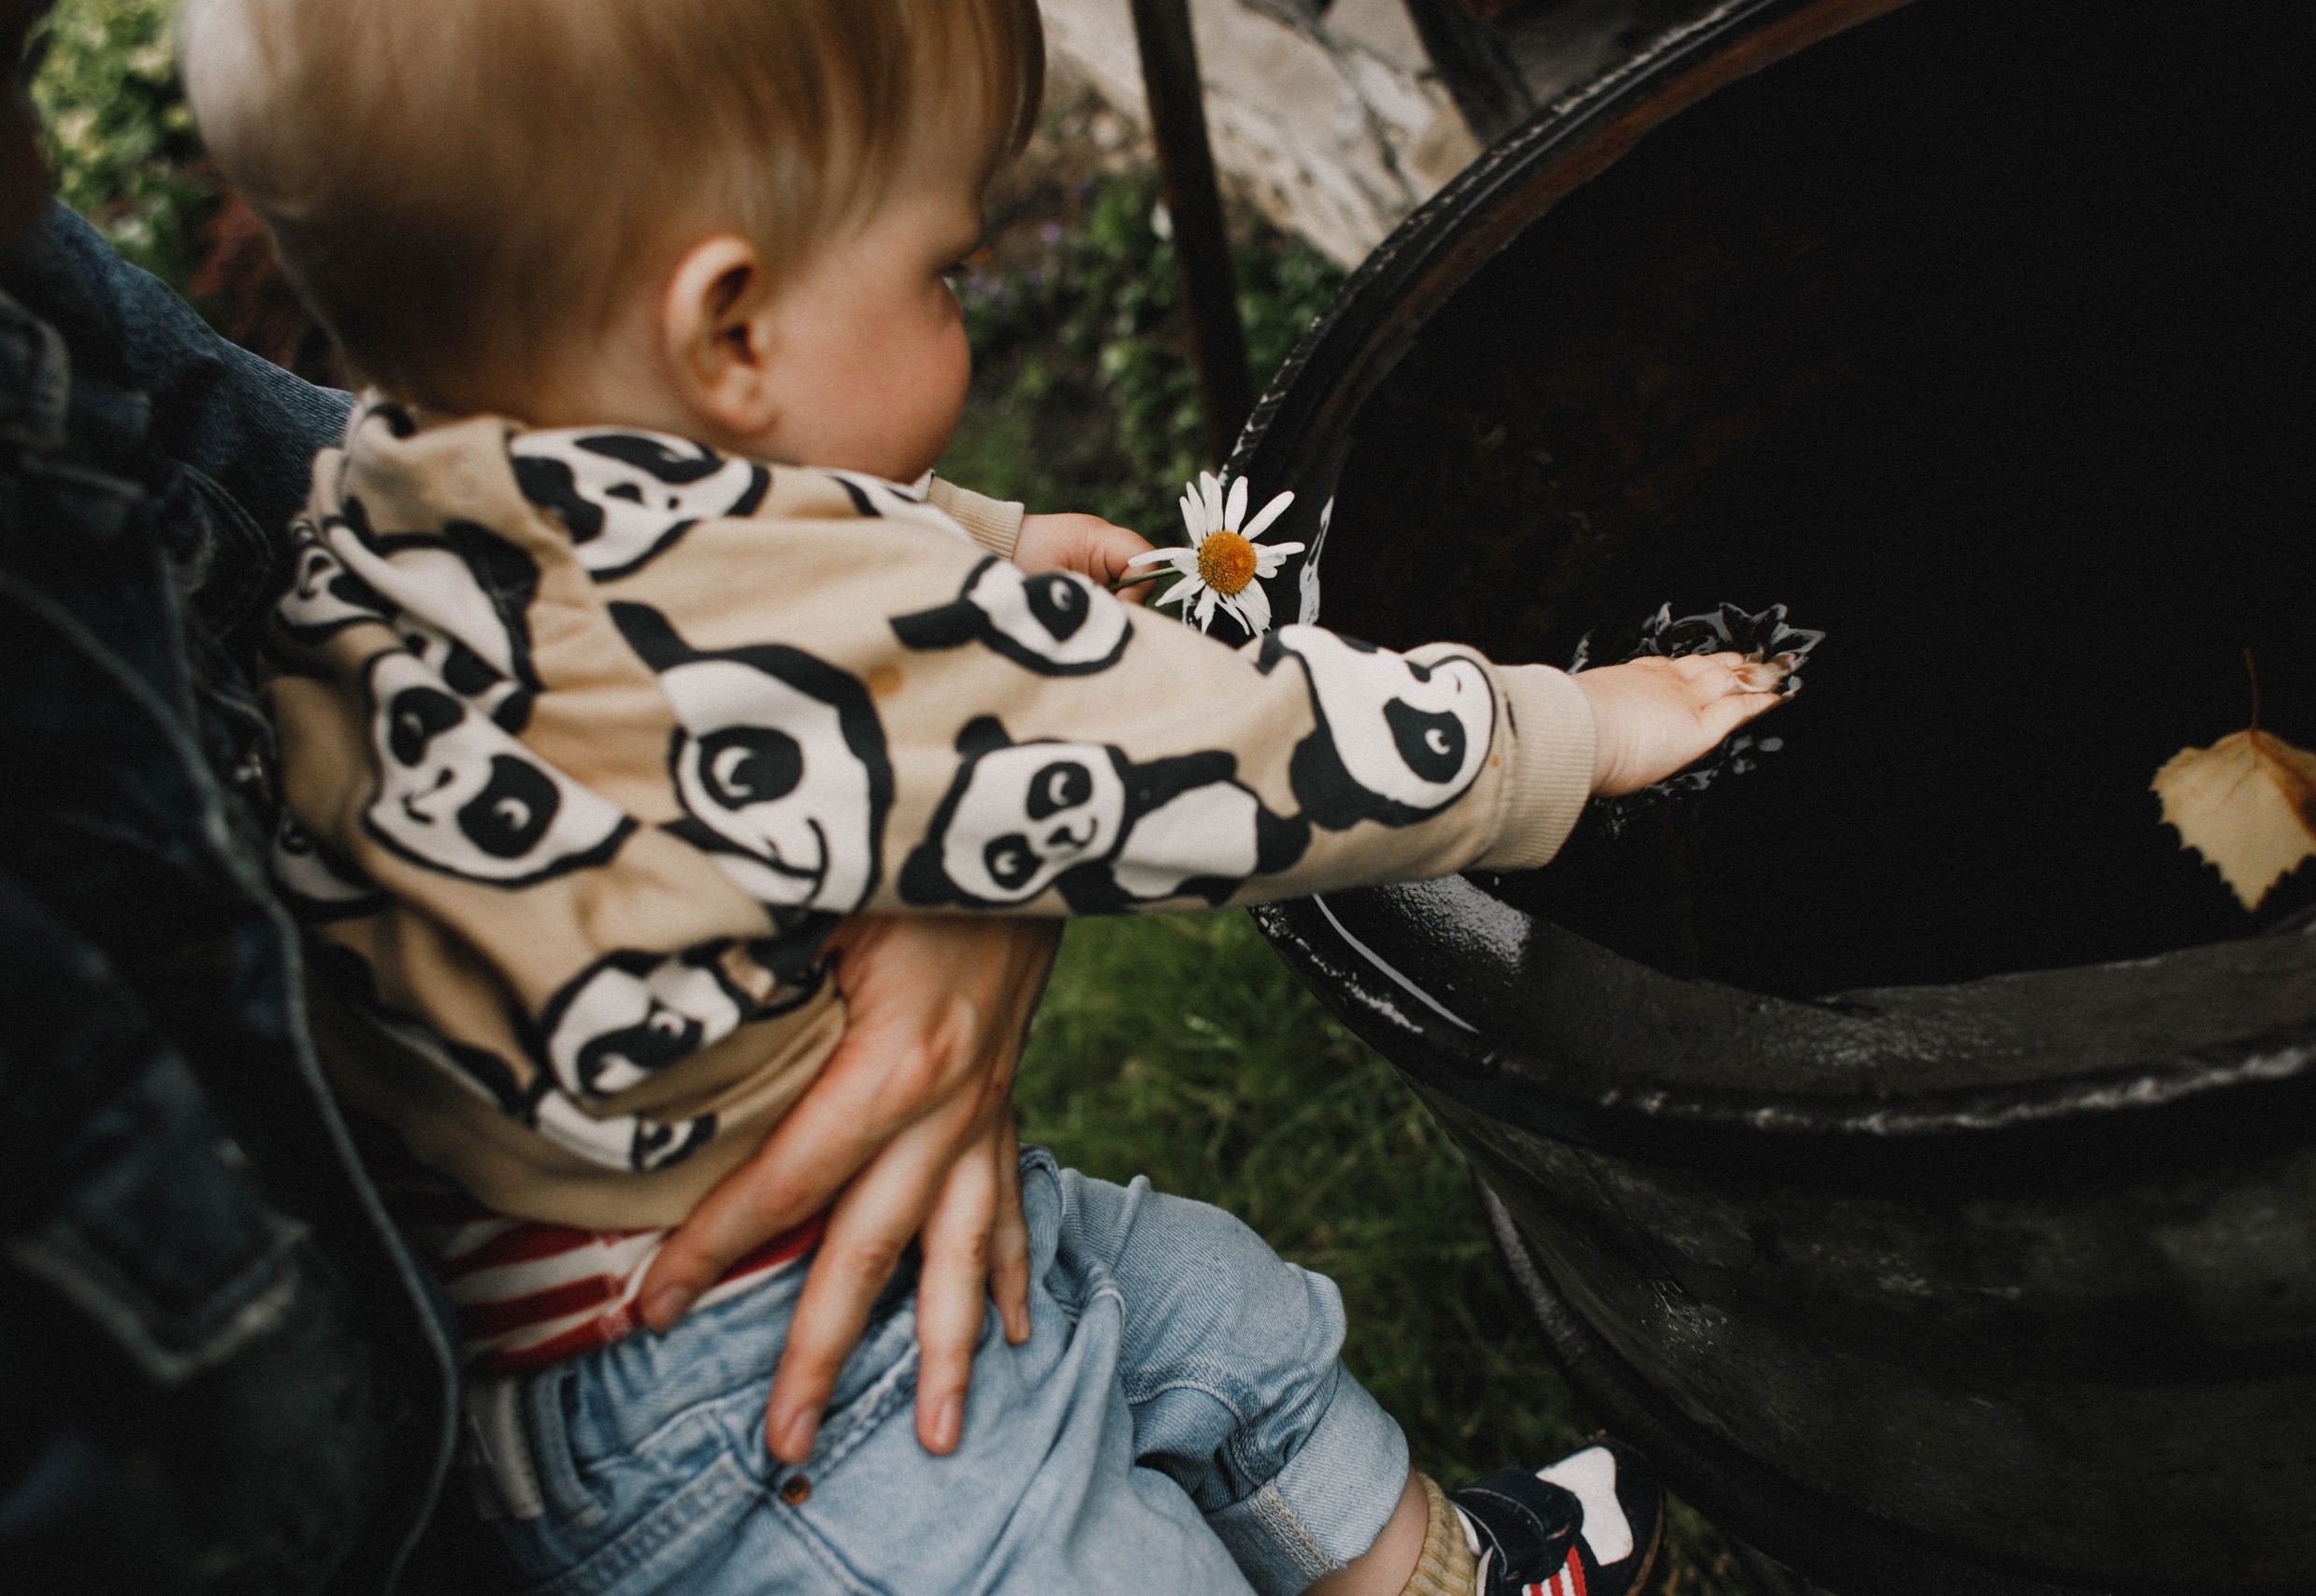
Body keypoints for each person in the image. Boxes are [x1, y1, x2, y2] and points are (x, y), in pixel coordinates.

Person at [178, 2, 1789, 1592]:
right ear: (730, 331)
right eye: (942, 269)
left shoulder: (392, 503)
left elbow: (704, 501)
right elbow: (1220, 748)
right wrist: (1567, 727)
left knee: (1215, 1323)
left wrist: (975, 545)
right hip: (786, 1424)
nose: (958, 289)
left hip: (671, 1274)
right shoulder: (789, 638)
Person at [0, 1, 1069, 1588]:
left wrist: (945, 766)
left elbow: (500, 527)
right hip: (698, 1421)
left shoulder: (37, 325)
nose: (40, 174)